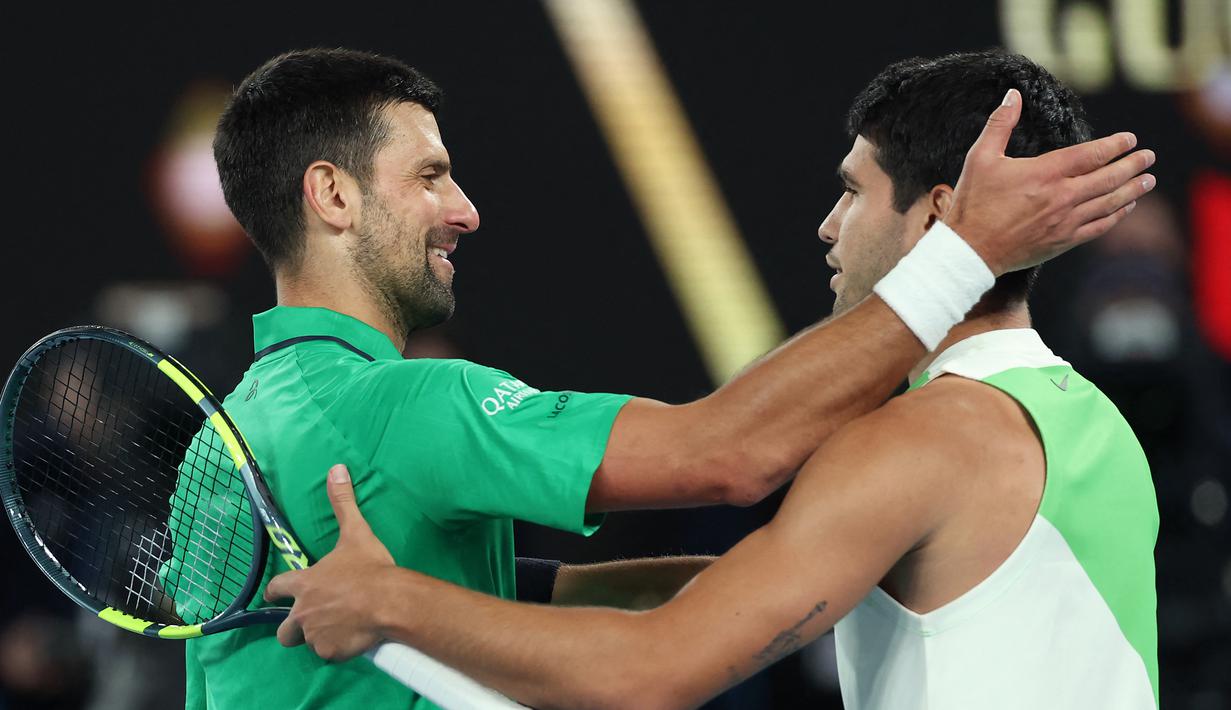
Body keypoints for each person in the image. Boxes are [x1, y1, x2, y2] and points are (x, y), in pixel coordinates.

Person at [265, 51, 1160, 710]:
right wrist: (513, 589)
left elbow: (648, 671)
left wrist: (396, 604)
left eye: (852, 192)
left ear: (935, 217)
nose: (826, 226)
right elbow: (807, 586)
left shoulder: (916, 444)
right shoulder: (1088, 421)